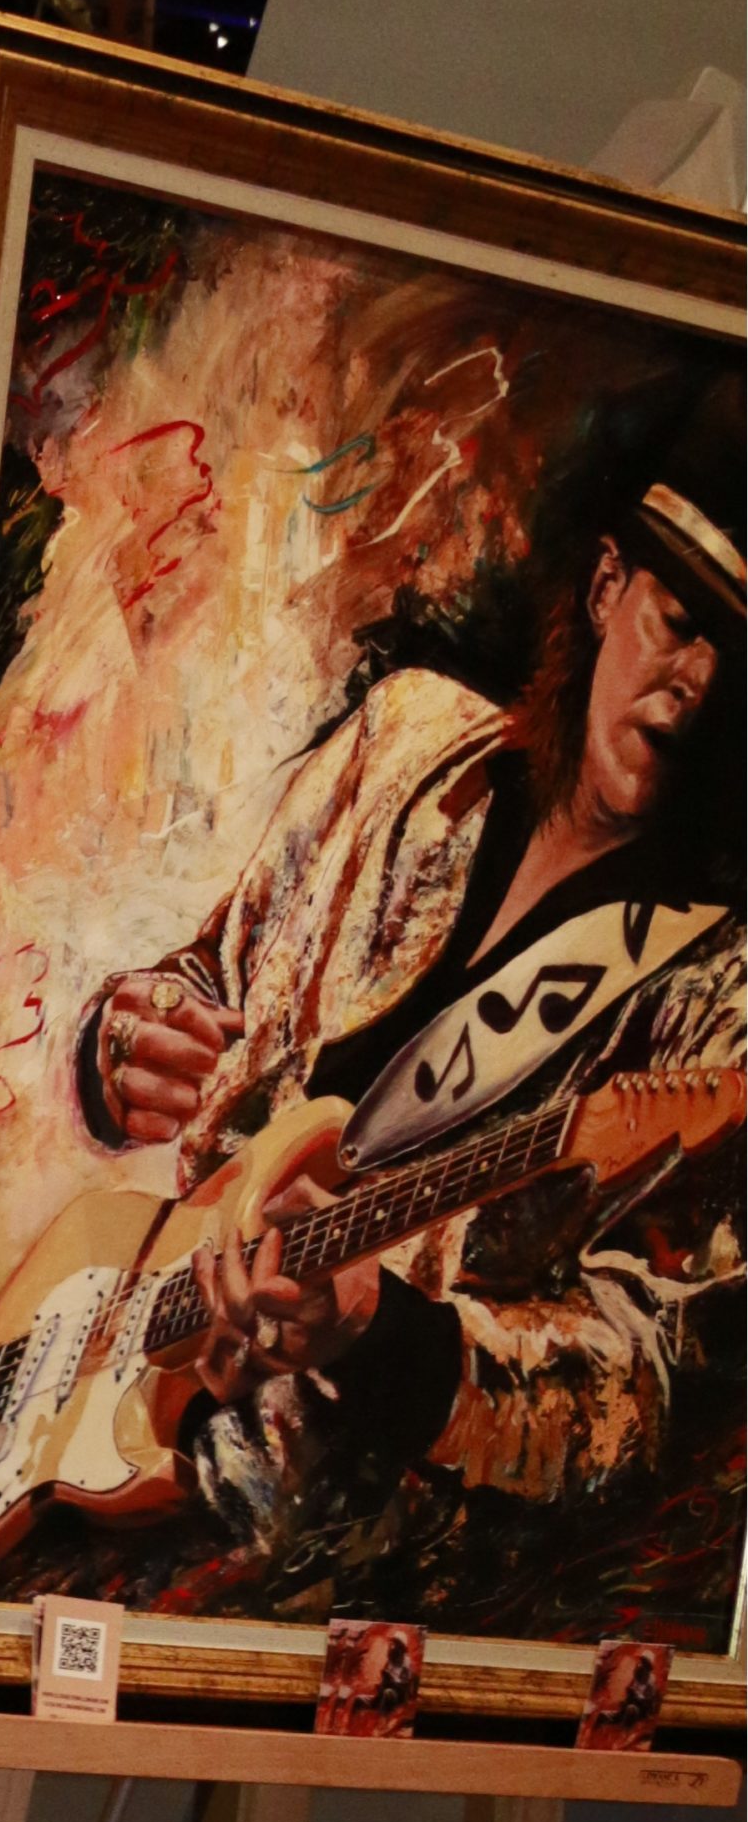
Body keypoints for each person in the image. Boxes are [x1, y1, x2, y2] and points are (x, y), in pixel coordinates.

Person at [62, 386, 745, 1596]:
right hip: (104, 1365)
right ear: (604, 589)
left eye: (735, 663)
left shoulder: (714, 994)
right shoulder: (404, 741)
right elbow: (218, 969)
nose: (693, 682)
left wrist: (380, 1333)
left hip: (316, 1557)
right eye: (678, 622)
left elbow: (640, 1382)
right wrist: (122, 1042)